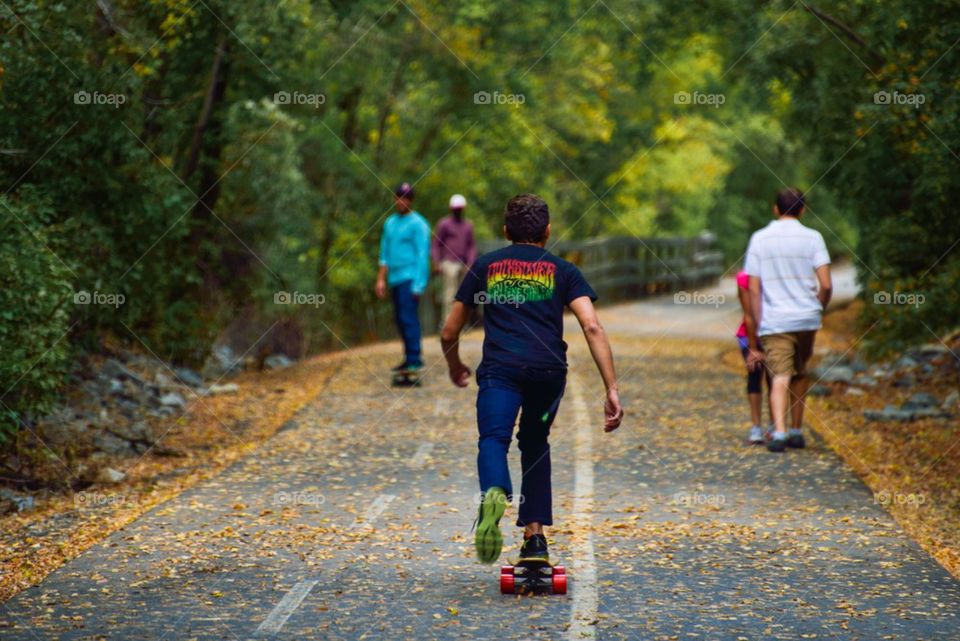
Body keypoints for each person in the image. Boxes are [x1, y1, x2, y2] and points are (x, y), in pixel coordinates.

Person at [439, 193, 624, 564]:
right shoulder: (564, 270)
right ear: (548, 231)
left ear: (506, 230)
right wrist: (611, 387)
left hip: (500, 372)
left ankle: (494, 490)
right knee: (535, 443)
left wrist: (454, 365)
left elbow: (448, 331)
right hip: (548, 374)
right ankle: (535, 539)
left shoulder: (486, 266)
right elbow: (592, 325)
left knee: (493, 439)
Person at [744, 188, 832, 453]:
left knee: (780, 374)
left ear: (775, 209)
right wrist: (818, 308)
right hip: (807, 318)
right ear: (803, 210)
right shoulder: (814, 238)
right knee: (800, 370)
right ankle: (797, 429)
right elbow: (826, 284)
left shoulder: (760, 239)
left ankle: (779, 432)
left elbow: (754, 288)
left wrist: (758, 325)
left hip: (776, 319)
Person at [376, 182, 431, 373]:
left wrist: (419, 284)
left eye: (405, 198)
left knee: (408, 318)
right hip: (395, 278)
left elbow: (422, 255)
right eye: (398, 197)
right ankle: (408, 356)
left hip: (410, 278)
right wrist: (381, 279)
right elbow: (384, 253)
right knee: (400, 319)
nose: (401, 201)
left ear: (411, 201)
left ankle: (414, 358)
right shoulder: (390, 223)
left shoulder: (419, 224)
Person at [735, 269, 771, 444]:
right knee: (755, 372)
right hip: (749, 335)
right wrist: (753, 347)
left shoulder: (778, 272)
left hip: (776, 334)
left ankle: (775, 426)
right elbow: (748, 314)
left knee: (775, 378)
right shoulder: (744, 278)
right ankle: (756, 427)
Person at [432, 194, 477, 326]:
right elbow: (436, 244)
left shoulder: (468, 225)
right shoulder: (444, 224)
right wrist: (436, 261)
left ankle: (461, 324)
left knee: (463, 296)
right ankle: (447, 324)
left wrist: (470, 263)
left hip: (463, 264)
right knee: (449, 294)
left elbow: (471, 246)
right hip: (449, 263)